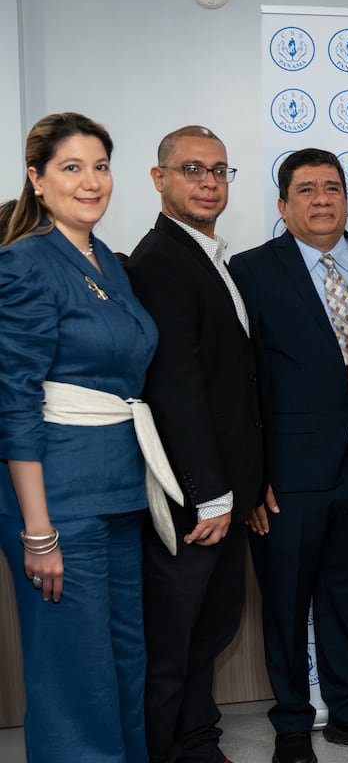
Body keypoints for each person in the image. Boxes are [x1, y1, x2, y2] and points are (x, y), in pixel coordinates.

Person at [228, 149, 348, 763]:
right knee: (284, 605)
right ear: (283, 205)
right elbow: (238, 380)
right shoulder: (249, 271)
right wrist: (252, 479)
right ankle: (289, 726)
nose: (322, 199)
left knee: (343, 595)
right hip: (287, 476)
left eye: (332, 187)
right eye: (306, 189)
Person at [0, 113, 159, 762]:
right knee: (74, 674)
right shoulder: (25, 263)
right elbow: (15, 400)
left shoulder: (104, 260)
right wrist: (38, 529)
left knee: (123, 665)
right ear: (37, 179)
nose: (91, 181)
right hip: (59, 497)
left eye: (100, 165)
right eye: (72, 167)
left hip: (121, 488)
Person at [126, 125, 267, 763]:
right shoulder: (160, 261)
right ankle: (167, 749)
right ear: (160, 180)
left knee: (209, 629)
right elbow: (176, 388)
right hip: (193, 496)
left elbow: (231, 386)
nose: (209, 182)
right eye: (192, 170)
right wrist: (211, 494)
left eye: (219, 171)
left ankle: (197, 739)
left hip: (225, 492)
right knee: (174, 640)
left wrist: (247, 483)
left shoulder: (208, 257)